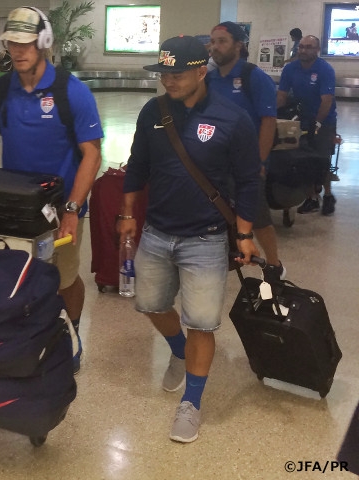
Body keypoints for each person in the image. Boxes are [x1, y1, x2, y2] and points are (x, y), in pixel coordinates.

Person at [117, 35, 260, 443]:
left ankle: (191, 404)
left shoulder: (233, 119)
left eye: (176, 73)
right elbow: (137, 166)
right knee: (150, 305)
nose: (168, 81)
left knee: (201, 323)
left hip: (207, 239)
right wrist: (127, 213)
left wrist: (246, 234)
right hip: (157, 233)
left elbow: (250, 182)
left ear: (202, 71)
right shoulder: (153, 112)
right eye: (163, 73)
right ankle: (177, 350)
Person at [0, 6, 103, 373]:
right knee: (14, 274)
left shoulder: (71, 92)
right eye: (12, 42)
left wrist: (73, 210)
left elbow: (91, 155)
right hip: (15, 206)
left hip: (61, 207)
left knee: (63, 279)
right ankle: (23, 337)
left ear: (44, 41)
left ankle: (73, 333)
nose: (18, 50)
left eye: (26, 42)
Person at [208, 21, 286, 283]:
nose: (214, 47)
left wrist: (260, 161)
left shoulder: (255, 77)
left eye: (222, 41)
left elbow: (268, 121)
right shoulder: (209, 79)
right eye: (213, 41)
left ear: (238, 46)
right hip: (217, 161)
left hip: (247, 162)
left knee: (258, 216)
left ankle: (275, 265)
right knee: (219, 212)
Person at [277, 35, 337, 216]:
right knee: (303, 159)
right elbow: (281, 95)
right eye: (301, 46)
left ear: (317, 50)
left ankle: (327, 195)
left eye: (308, 47)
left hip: (323, 121)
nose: (303, 50)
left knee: (322, 159)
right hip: (299, 119)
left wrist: (316, 124)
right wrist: (271, 115)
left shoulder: (325, 70)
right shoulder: (290, 69)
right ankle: (311, 198)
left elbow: (326, 101)